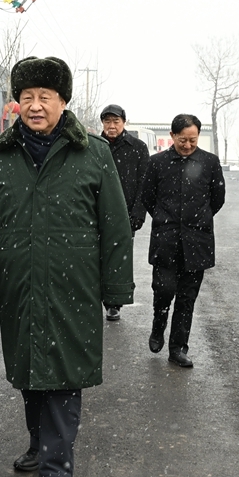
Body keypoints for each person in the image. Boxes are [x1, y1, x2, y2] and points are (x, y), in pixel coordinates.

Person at [0, 56, 134, 477]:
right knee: (29, 372)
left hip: (75, 285)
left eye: (45, 98)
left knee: (63, 377)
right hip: (20, 283)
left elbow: (114, 224)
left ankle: (56, 473)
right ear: (17, 103)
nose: (35, 106)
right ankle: (40, 445)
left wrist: (116, 288)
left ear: (63, 101)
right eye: (27, 98)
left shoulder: (93, 152)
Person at [140, 114, 225, 368]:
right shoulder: (157, 163)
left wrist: (197, 218)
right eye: (182, 140)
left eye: (193, 140)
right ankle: (158, 325)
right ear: (173, 136)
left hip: (197, 241)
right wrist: (167, 220)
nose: (187, 145)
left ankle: (178, 348)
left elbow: (217, 198)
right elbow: (147, 197)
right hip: (165, 240)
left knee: (187, 298)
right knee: (164, 290)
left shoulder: (209, 162)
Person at [99, 103, 150, 322]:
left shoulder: (137, 147)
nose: (111, 126)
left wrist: (138, 214)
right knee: (93, 257)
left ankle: (114, 302)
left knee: (119, 259)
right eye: (107, 121)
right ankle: (95, 297)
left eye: (115, 121)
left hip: (125, 214)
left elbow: (144, 184)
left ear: (124, 122)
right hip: (96, 212)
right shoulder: (95, 146)